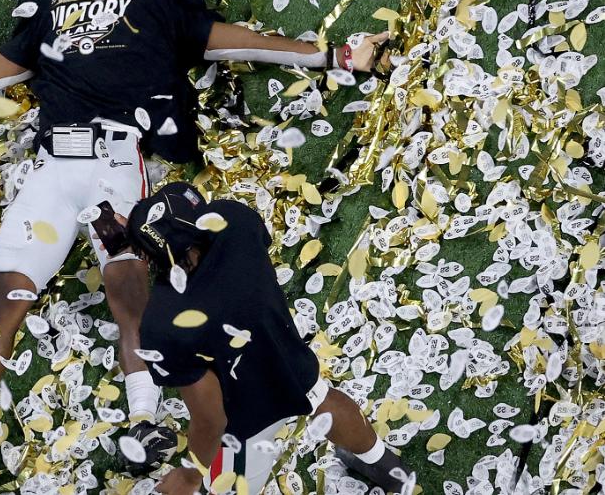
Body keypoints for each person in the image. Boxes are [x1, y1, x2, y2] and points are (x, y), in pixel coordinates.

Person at [0, 0, 389, 480]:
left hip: (117, 164)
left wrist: (334, 56)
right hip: (52, 165)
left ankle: (143, 420)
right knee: (8, 290)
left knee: (127, 282)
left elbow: (228, 40)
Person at [122, 182, 412, 495]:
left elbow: (211, 420)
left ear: (150, 259)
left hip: (246, 416)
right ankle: (387, 468)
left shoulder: (163, 324)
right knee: (324, 400)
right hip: (287, 358)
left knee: (225, 488)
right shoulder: (235, 220)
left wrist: (190, 476)